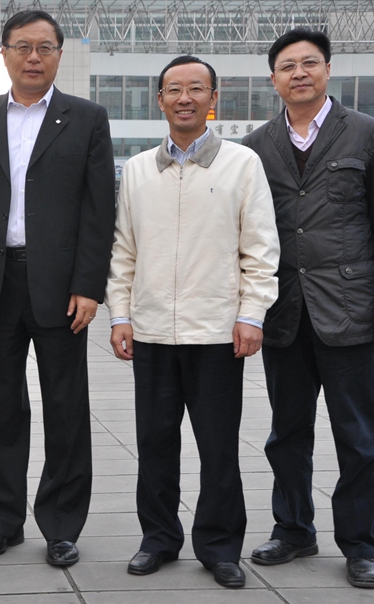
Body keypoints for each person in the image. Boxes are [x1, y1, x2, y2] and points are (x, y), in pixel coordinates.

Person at [242, 28, 374, 589]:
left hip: (348, 308)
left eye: (309, 63)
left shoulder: (368, 134)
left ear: (327, 70)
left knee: (358, 437)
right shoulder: (255, 145)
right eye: (287, 66)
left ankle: (361, 544)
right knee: (286, 434)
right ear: (273, 79)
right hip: (284, 313)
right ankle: (293, 529)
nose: (299, 73)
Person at [106, 56, 280, 588]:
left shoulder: (242, 164)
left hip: (217, 332)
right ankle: (158, 539)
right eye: (174, 89)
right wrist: (120, 314)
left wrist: (251, 314)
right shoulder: (138, 169)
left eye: (196, 89)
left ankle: (220, 546)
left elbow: (260, 249)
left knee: (218, 446)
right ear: (160, 100)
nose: (185, 98)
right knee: (155, 443)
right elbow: (123, 250)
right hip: (153, 331)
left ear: (213, 99)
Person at [0, 10, 115, 567]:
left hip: (61, 288)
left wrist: (89, 286)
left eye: (45, 47)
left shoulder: (86, 119)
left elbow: (99, 210)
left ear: (59, 55)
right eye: (22, 46)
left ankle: (62, 526)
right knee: (1, 409)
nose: (33, 57)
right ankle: (1, 521)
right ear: (4, 54)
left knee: (65, 408)